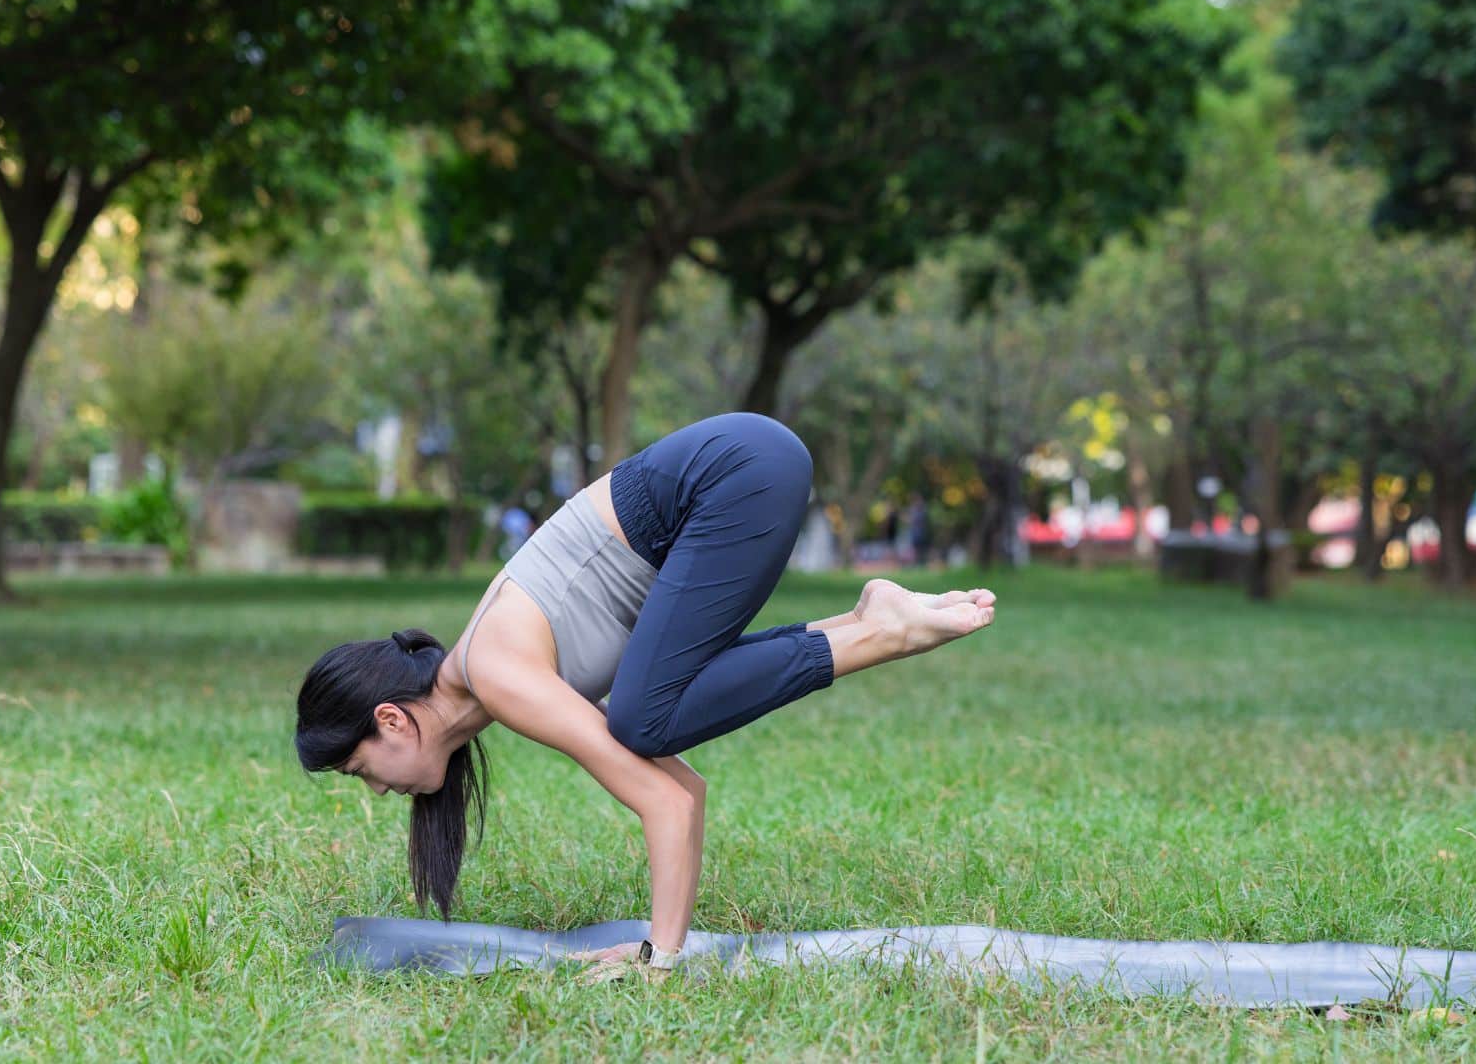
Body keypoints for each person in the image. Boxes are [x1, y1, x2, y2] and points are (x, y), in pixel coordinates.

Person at [296, 413, 996, 982]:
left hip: (736, 474)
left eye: (362, 770)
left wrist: (659, 960)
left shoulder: (497, 674)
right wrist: (667, 944)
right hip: (743, 466)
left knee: (641, 717)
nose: (379, 791)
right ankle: (866, 622)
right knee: (644, 719)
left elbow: (658, 795)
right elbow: (681, 791)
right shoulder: (495, 675)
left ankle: (881, 629)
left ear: (391, 719)